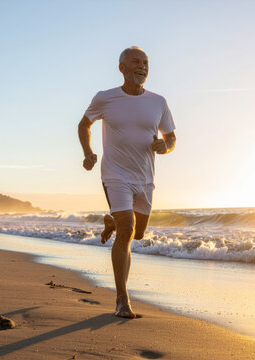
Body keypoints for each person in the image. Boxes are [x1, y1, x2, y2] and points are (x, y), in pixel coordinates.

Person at [77, 46, 176, 318]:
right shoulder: (105, 98)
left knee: (138, 233)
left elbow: (171, 137)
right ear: (122, 68)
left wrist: (165, 147)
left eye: (146, 63)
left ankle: (111, 220)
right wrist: (88, 153)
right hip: (115, 174)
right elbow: (83, 124)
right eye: (136, 62)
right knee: (127, 227)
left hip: (145, 178)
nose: (142, 66)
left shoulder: (158, 102)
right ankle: (122, 299)